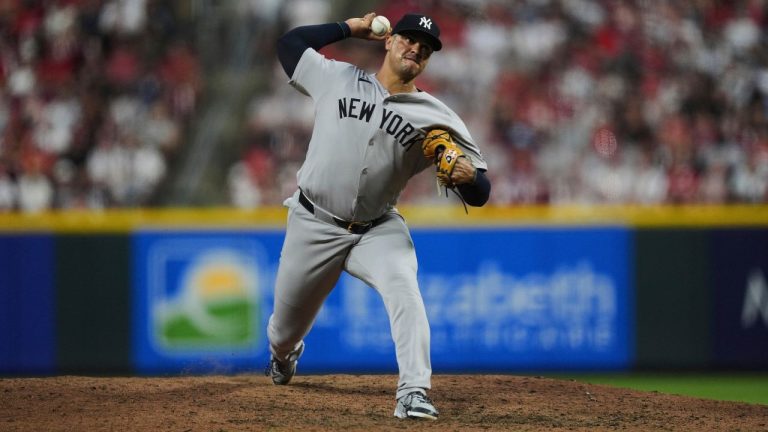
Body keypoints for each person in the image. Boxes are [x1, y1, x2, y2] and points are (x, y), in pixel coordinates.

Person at [266, 12, 491, 420]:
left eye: (425, 48)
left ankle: (413, 392)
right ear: (388, 41)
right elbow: (289, 45)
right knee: (283, 331)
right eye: (409, 39)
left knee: (404, 288)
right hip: (313, 221)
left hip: (377, 228)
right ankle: (285, 355)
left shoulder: (436, 115)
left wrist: (468, 177)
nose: (416, 48)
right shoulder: (337, 78)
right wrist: (349, 28)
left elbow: (481, 193)